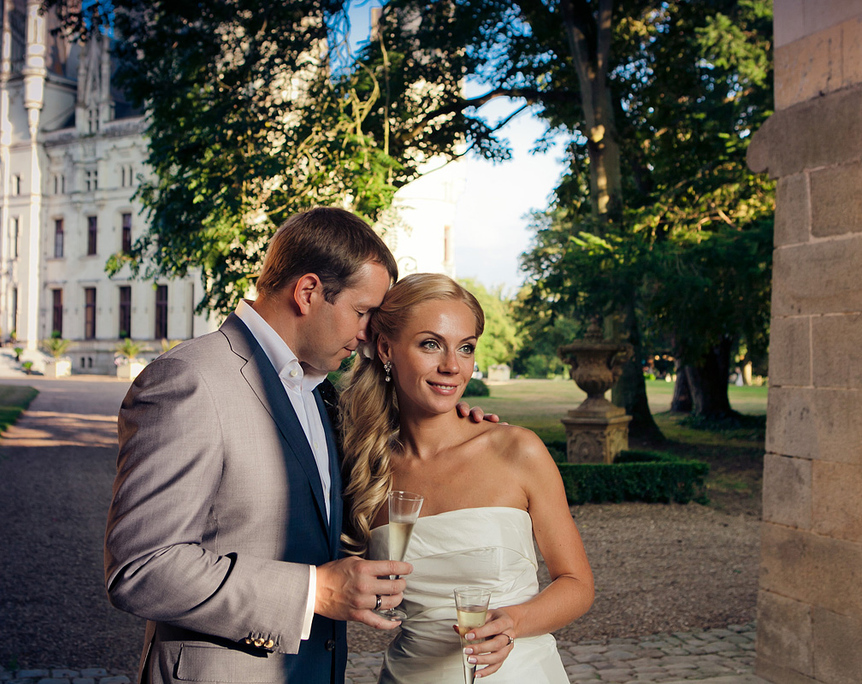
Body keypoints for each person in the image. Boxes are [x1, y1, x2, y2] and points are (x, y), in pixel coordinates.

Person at [104, 208, 412, 684]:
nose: (368, 333)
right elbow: (142, 568)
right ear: (308, 292)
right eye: (362, 311)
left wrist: (461, 431)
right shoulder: (190, 380)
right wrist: (314, 592)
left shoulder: (320, 391)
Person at [339, 273, 595, 683]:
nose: (452, 367)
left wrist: (513, 621)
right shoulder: (361, 463)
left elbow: (578, 583)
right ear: (386, 348)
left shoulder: (516, 450)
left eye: (466, 348)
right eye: (430, 344)